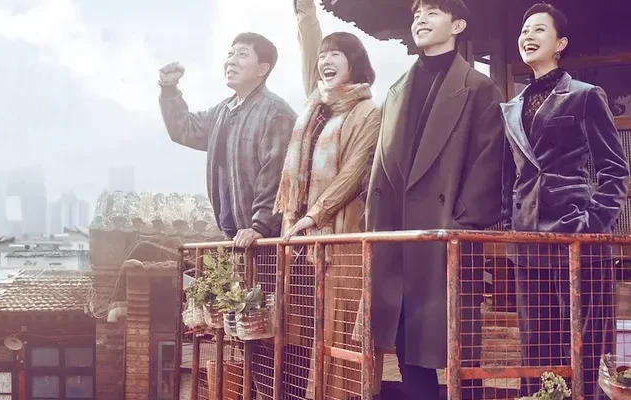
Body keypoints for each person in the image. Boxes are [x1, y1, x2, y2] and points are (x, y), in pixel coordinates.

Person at [365, 0, 506, 398]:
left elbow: (490, 163)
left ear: (457, 25)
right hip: (398, 234)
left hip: (448, 234)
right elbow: (381, 166)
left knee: (460, 341)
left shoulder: (479, 87)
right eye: (416, 14)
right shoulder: (397, 90)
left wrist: (460, 222)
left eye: (433, 12)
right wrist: (377, 224)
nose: (421, 19)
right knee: (407, 338)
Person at [501, 3, 630, 399]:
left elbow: (615, 170)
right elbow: (510, 176)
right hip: (528, 242)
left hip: (579, 239)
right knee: (536, 344)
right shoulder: (511, 108)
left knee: (587, 345)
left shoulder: (585, 96)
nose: (528, 36)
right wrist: (509, 225)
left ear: (560, 44)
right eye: (524, 30)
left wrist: (591, 226)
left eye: (539, 29)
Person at [272, 1, 381, 398]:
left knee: (338, 330)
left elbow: (353, 174)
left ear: (355, 64)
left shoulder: (369, 111)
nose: (325, 61)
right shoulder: (314, 106)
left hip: (338, 235)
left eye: (336, 54)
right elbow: (307, 39)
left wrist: (314, 215)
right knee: (301, 331)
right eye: (323, 55)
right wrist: (303, 10)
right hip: (299, 239)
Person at [158, 32, 296, 247]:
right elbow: (184, 129)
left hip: (266, 238)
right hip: (237, 235)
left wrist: (260, 227)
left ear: (262, 69)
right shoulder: (223, 110)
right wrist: (169, 89)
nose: (231, 61)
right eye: (230, 54)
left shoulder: (275, 113)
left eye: (242, 55)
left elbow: (276, 176)